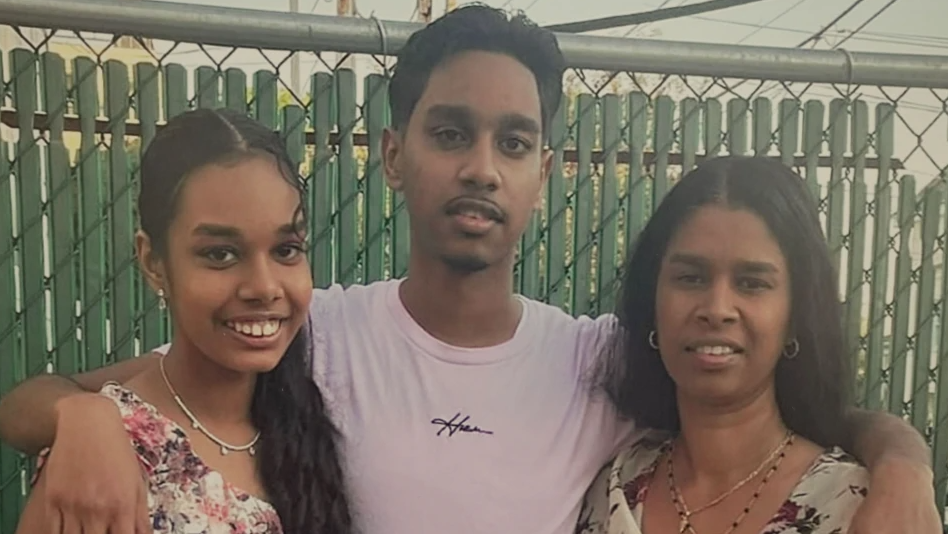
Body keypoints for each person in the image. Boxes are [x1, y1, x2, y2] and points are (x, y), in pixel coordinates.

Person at [0, 5, 940, 534]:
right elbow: (39, 400)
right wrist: (80, 417)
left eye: (514, 140)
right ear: (394, 152)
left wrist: (901, 467)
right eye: (451, 133)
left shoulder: (600, 360)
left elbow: (781, 398)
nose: (481, 165)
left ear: (543, 174)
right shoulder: (310, 329)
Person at [12, 108, 351, 534]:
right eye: (220, 254)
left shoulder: (310, 404)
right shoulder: (116, 456)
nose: (264, 287)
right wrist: (83, 417)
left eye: (285, 249)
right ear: (154, 262)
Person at [576, 156, 871, 534]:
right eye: (690, 278)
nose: (716, 310)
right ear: (652, 300)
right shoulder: (610, 488)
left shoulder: (855, 505)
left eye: (751, 283)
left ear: (796, 314)